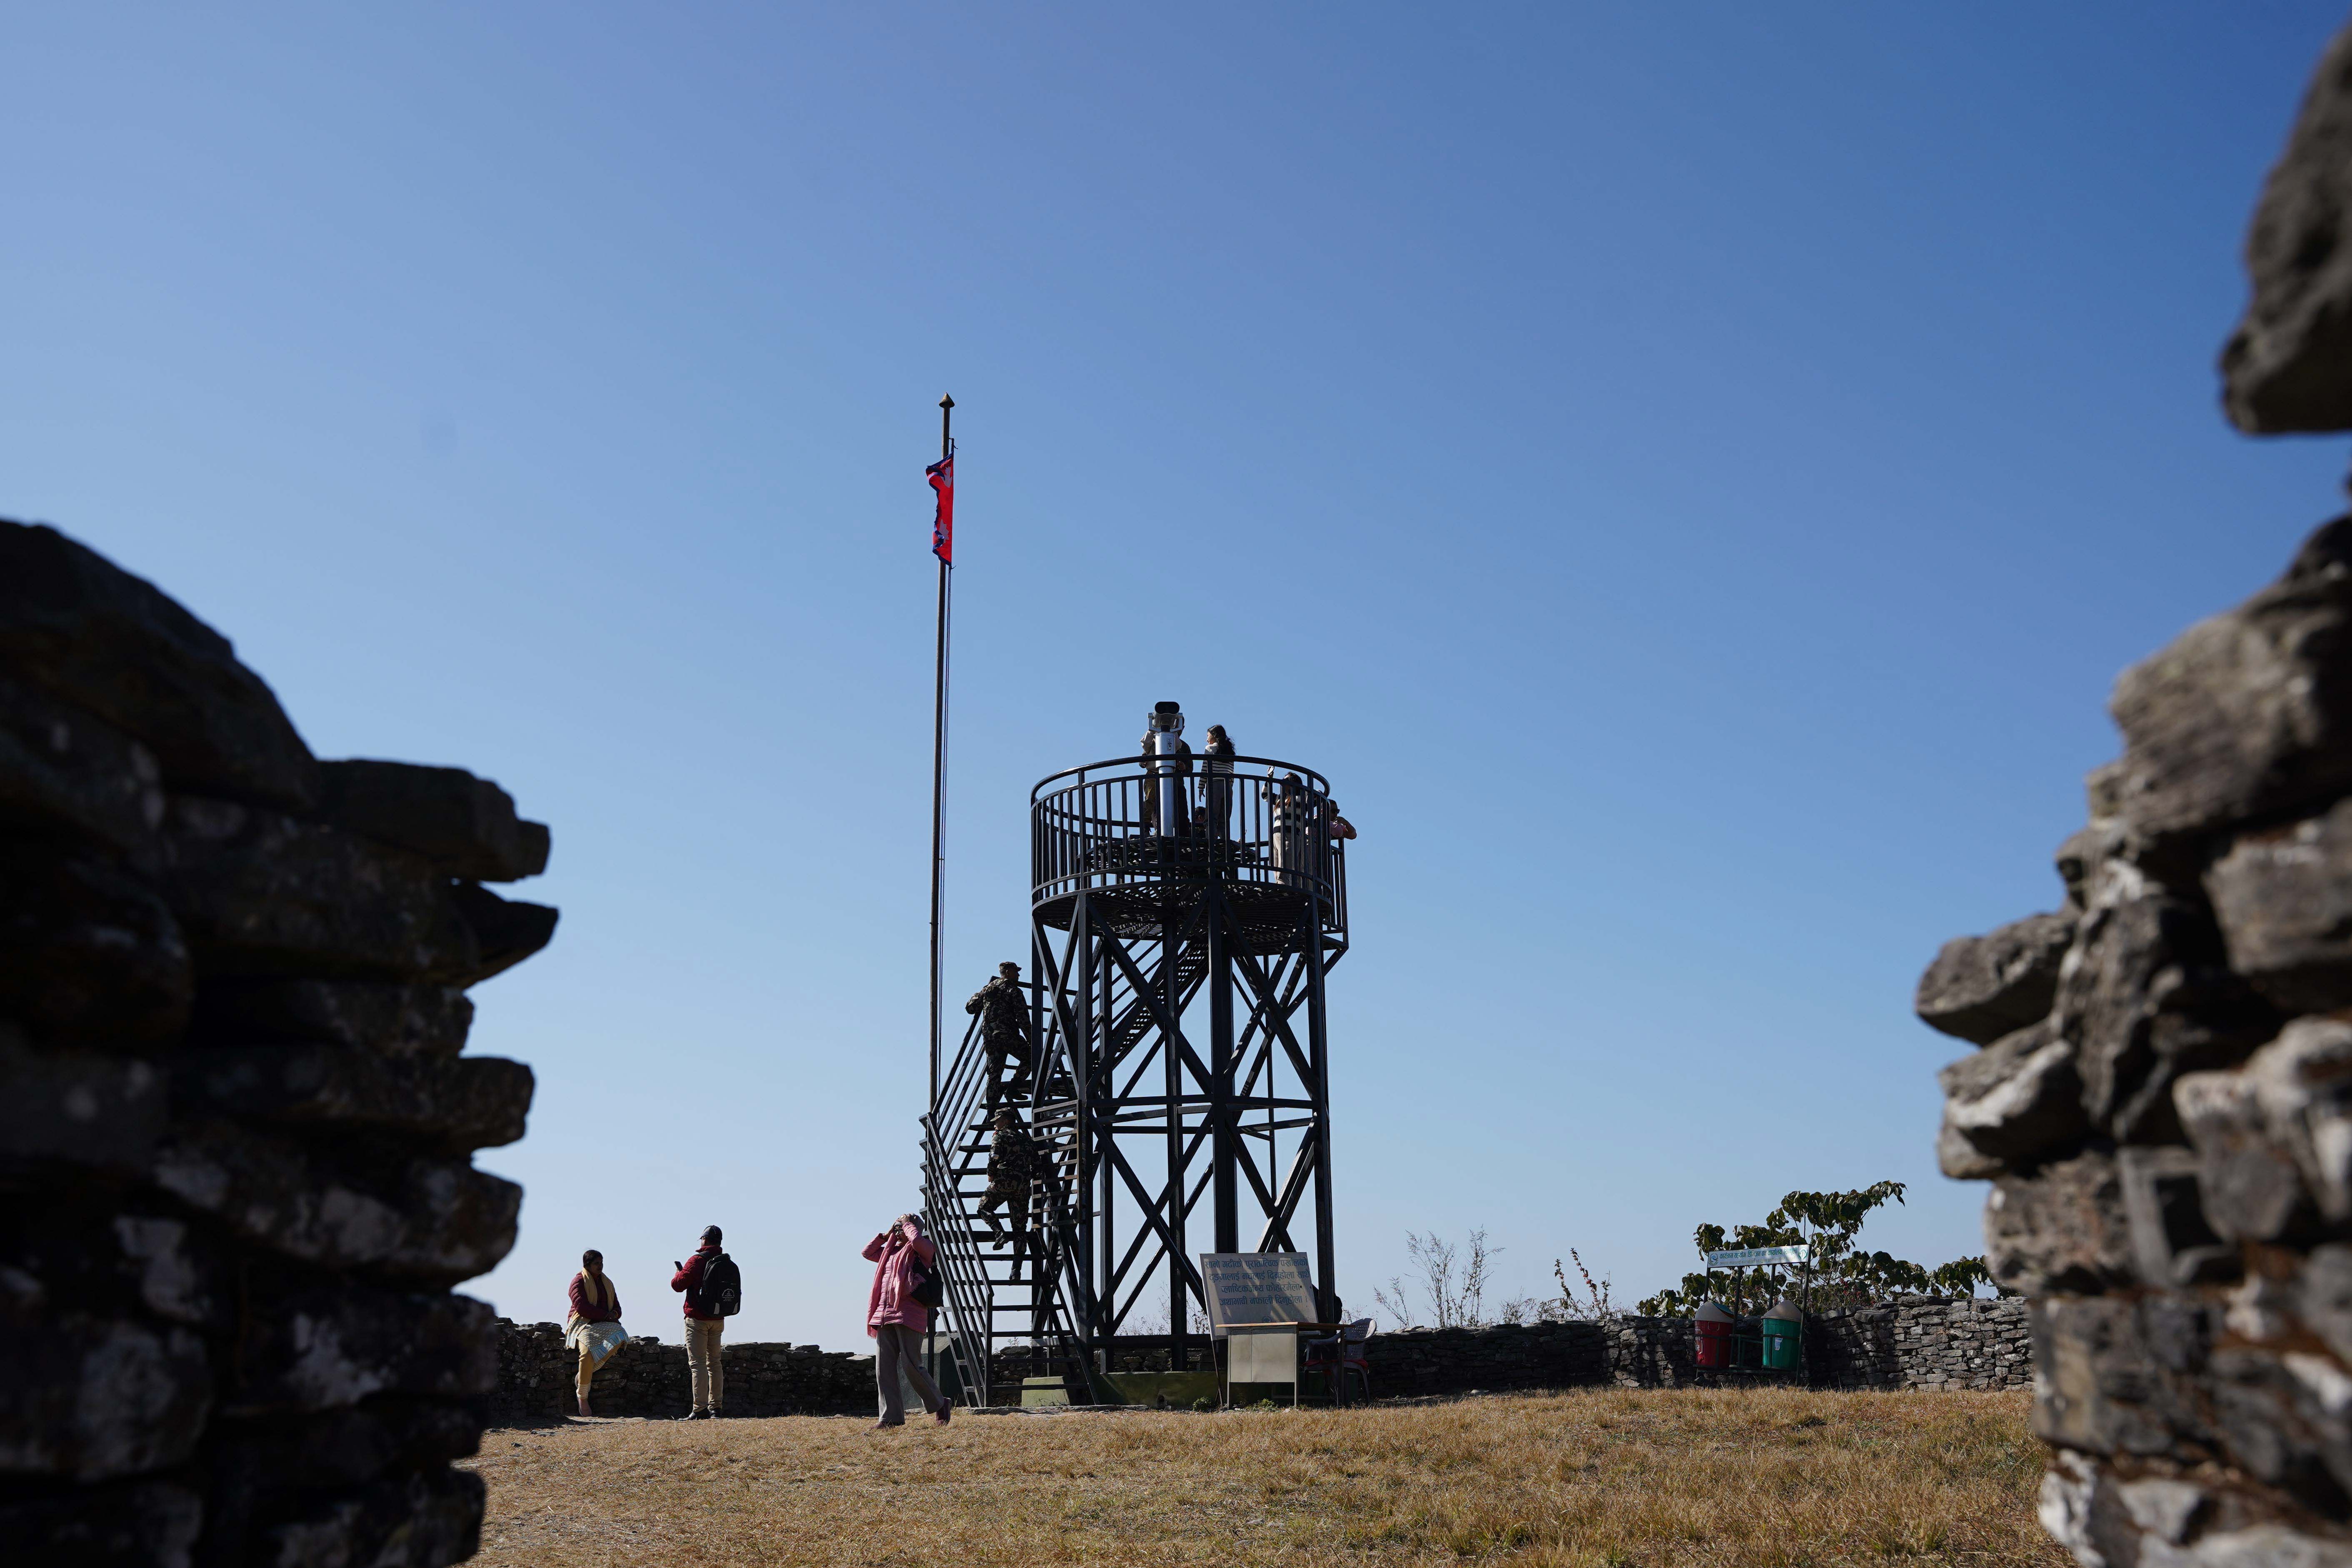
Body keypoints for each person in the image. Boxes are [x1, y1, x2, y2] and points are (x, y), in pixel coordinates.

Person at [863, 1213, 952, 1428]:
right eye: (899, 1228)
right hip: (884, 1315)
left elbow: (917, 1242)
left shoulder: (922, 1251)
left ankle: (940, 1403)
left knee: (911, 1365)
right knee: (883, 1369)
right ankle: (890, 1418)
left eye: (903, 1228)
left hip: (909, 1315)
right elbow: (867, 1253)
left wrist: (909, 1226)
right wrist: (886, 1234)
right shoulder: (889, 1252)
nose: (900, 1231)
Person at [975, 1107, 1045, 1283]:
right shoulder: (1026, 1139)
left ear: (1006, 1121)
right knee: (1020, 1229)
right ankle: (1016, 1270)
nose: (995, 1125)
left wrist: (991, 1174)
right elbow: (1038, 1166)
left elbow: (995, 1157)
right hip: (1022, 1187)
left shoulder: (1001, 1136)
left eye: (997, 1121)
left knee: (984, 1208)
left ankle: (999, 1233)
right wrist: (1026, 1177)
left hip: (1003, 1182)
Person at [670, 1225, 729, 1419]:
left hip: (698, 1319)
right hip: (718, 1319)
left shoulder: (697, 1260)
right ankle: (716, 1408)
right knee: (715, 1363)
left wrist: (678, 1274)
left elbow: (678, 1285)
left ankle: (700, 1409)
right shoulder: (724, 1261)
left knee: (698, 1364)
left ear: (704, 1240)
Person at [565, 1249, 625, 1418]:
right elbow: (582, 1307)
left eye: (602, 1262)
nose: (601, 1266)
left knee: (621, 1336)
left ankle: (584, 1375)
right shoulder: (578, 1281)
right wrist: (605, 1315)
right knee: (586, 1353)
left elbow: (617, 1306)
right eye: (597, 1263)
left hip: (604, 1324)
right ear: (588, 1265)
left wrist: (615, 1315)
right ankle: (582, 1396)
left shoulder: (607, 1283)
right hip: (583, 1323)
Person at [965, 961, 1032, 1106]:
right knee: (1032, 1058)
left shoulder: (988, 989)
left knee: (994, 1075)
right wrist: (1033, 1040)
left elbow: (970, 1008)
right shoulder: (1013, 991)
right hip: (1007, 1036)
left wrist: (982, 995)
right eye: (1016, 972)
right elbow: (1023, 1019)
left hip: (990, 1039)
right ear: (1008, 973)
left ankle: (991, 1111)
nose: (1019, 975)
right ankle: (1014, 1088)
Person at [1202, 725, 1235, 839]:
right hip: (1228, 786)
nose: (1207, 739)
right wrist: (1230, 785)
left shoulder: (1210, 749)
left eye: (1208, 736)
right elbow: (1232, 771)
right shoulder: (1230, 750)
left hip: (1214, 784)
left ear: (1214, 735)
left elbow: (1205, 769)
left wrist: (1201, 787)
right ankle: (1225, 844)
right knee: (1224, 819)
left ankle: (1211, 843)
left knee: (1211, 818)